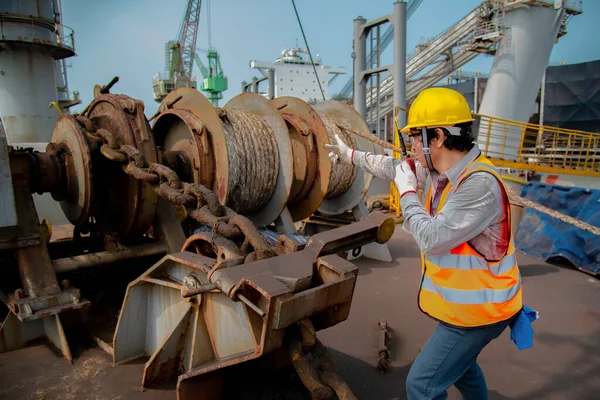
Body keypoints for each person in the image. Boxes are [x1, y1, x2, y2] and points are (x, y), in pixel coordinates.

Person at [326, 87, 528, 400]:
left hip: (479, 312)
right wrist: (349, 155)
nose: (411, 148)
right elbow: (392, 167)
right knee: (462, 368)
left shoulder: (479, 184)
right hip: (466, 307)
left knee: (421, 385)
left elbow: (431, 239)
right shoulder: (440, 170)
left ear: (437, 137)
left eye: (415, 139)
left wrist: (407, 193)